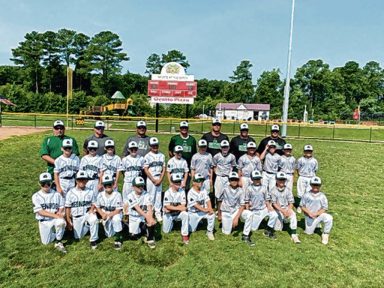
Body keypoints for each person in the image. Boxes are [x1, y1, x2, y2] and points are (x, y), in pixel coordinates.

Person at [32, 172, 67, 253]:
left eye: (48, 183)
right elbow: (40, 212)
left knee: (60, 222)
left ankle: (58, 241)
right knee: (46, 243)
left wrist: (60, 212)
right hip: (44, 221)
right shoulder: (36, 196)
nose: (46, 185)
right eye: (43, 183)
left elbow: (62, 207)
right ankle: (55, 233)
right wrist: (56, 215)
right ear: (39, 183)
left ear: (51, 183)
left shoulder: (57, 194)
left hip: (55, 220)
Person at [65, 171, 99, 249]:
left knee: (94, 219)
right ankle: (87, 225)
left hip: (87, 214)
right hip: (76, 217)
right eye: (80, 179)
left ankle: (93, 240)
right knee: (78, 237)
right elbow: (67, 207)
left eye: (84, 179)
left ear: (87, 180)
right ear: (76, 180)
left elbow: (94, 203)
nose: (82, 181)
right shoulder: (70, 192)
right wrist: (68, 219)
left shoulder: (90, 191)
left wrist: (92, 209)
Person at [219, 172, 254, 246]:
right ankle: (230, 223)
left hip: (236, 211)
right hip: (226, 212)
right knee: (226, 233)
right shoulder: (224, 188)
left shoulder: (241, 190)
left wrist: (236, 218)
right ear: (229, 180)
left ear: (238, 180)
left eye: (236, 179)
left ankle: (245, 235)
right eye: (232, 179)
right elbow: (219, 201)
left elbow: (242, 205)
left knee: (249, 214)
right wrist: (219, 215)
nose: (234, 181)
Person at [244, 171, 278, 240]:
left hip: (263, 209)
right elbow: (246, 201)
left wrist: (269, 207)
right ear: (252, 179)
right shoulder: (249, 188)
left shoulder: (264, 187)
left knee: (274, 214)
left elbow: (267, 200)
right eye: (255, 179)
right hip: (254, 210)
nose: (257, 180)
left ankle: (268, 230)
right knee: (253, 229)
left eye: (258, 178)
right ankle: (261, 223)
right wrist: (248, 211)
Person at [300, 176, 333, 245]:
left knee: (329, 218)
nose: (315, 186)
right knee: (309, 233)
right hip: (309, 216)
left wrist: (317, 214)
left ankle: (325, 234)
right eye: (314, 184)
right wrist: (309, 213)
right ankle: (316, 225)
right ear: (311, 185)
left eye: (317, 185)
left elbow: (324, 208)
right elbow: (302, 206)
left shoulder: (323, 196)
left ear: (320, 185)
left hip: (319, 215)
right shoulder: (306, 195)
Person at [126, 176, 157, 249]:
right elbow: (138, 209)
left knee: (150, 220)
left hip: (143, 217)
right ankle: (130, 225)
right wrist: (148, 217)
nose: (141, 187)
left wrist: (150, 218)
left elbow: (149, 207)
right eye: (138, 186)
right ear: (133, 187)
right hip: (133, 217)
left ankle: (150, 238)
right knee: (133, 237)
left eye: (142, 185)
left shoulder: (146, 194)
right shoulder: (130, 196)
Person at [271, 172, 301, 244]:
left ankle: (294, 234)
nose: (282, 181)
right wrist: (283, 211)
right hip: (278, 210)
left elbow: (291, 202)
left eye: (283, 180)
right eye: (280, 180)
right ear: (276, 180)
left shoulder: (288, 190)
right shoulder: (273, 190)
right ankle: (283, 223)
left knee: (293, 215)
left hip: (286, 209)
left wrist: (289, 209)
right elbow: (274, 204)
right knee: (278, 229)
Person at [95, 174, 124, 250]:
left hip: (115, 213)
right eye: (106, 184)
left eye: (109, 184)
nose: (108, 186)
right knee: (109, 235)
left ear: (113, 184)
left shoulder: (117, 194)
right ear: (103, 185)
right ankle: (121, 226)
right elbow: (97, 206)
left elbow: (118, 209)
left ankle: (118, 240)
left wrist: (109, 215)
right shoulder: (100, 195)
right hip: (105, 214)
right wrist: (102, 214)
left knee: (116, 219)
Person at [213, 140, 237, 221]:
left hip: (228, 178)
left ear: (229, 147)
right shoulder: (216, 156)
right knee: (219, 196)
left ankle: (227, 212)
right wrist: (217, 173)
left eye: (226, 147)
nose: (225, 149)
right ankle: (219, 213)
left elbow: (233, 166)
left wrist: (230, 175)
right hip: (219, 177)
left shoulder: (232, 156)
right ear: (220, 147)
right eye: (223, 147)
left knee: (228, 195)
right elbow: (214, 166)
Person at [162, 174, 189, 245]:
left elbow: (183, 205)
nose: (178, 183)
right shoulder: (167, 192)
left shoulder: (182, 191)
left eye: (179, 181)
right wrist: (178, 207)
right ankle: (173, 223)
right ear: (172, 182)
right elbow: (167, 207)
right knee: (166, 232)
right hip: (169, 214)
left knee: (185, 214)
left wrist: (172, 208)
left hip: (177, 213)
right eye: (176, 182)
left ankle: (185, 235)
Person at [187, 173, 215, 240]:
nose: (201, 182)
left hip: (203, 212)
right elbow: (196, 205)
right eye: (198, 180)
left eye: (202, 180)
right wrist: (206, 210)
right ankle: (198, 221)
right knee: (191, 230)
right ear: (194, 182)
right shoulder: (190, 193)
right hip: (193, 213)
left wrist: (210, 208)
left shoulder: (203, 189)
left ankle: (209, 231)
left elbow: (207, 200)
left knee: (212, 215)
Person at [143, 137, 166, 222]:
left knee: (158, 196)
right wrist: (152, 179)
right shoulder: (147, 156)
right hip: (151, 178)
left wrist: (160, 179)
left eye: (156, 145)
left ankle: (158, 213)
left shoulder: (162, 155)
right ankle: (150, 213)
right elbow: (145, 169)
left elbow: (164, 168)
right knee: (151, 196)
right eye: (153, 146)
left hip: (159, 177)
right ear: (150, 146)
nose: (155, 147)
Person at [296, 144, 318, 213]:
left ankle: (307, 206)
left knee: (309, 192)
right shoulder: (300, 160)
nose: (308, 152)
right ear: (304, 151)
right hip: (302, 177)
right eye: (307, 151)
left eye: (310, 151)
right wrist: (300, 174)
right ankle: (300, 206)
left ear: (312, 152)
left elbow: (315, 170)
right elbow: (297, 168)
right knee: (301, 193)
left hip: (311, 177)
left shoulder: (314, 161)